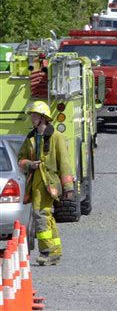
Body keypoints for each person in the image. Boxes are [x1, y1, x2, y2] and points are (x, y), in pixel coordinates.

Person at [17, 101, 74, 266]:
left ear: (43, 118)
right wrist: (29, 164)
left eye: (34, 116)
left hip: (49, 184)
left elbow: (64, 163)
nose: (32, 119)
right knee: (46, 215)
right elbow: (20, 159)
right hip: (35, 184)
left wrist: (68, 187)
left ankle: (46, 252)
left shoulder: (56, 137)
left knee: (40, 214)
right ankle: (55, 250)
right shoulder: (31, 138)